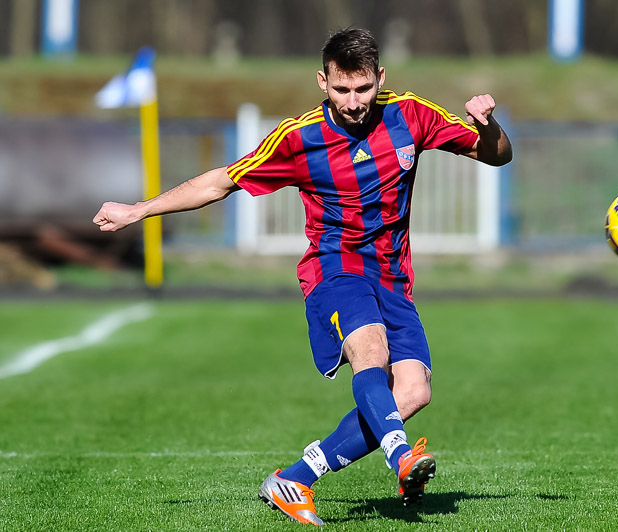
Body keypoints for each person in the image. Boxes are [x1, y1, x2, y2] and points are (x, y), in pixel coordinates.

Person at [93, 28, 512, 527]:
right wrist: (139, 210)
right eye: (342, 89)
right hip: (335, 268)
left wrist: (488, 125)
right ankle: (401, 457)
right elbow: (219, 183)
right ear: (322, 82)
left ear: (380, 78)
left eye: (363, 88)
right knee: (370, 351)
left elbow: (498, 154)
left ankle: (294, 479)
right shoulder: (299, 138)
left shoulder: (411, 114)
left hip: (393, 277)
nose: (353, 102)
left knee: (414, 393)